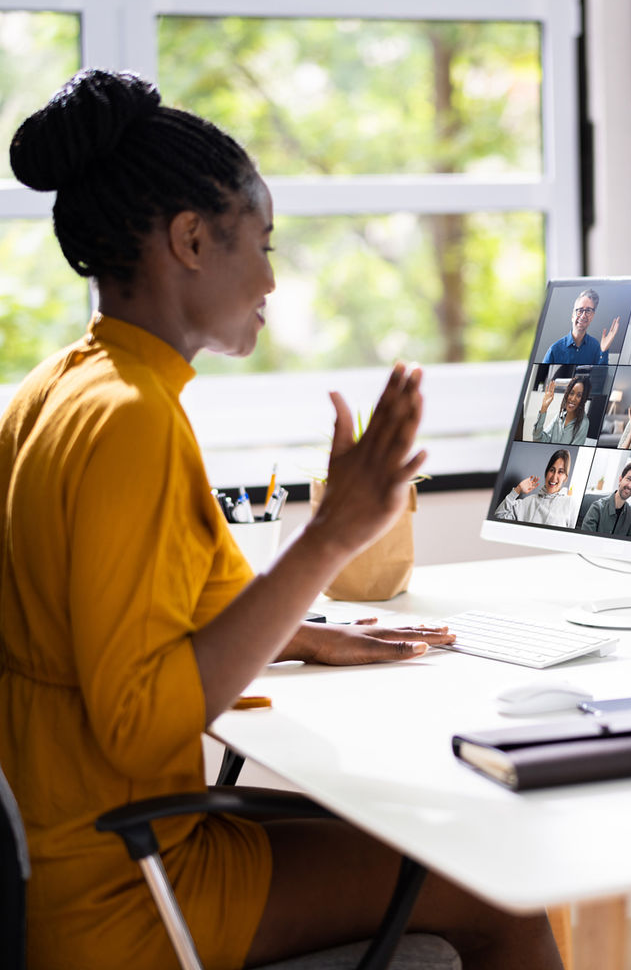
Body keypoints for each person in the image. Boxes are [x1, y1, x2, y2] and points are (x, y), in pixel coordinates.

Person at [0, 69, 563, 970]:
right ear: (189, 239)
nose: (270, 277)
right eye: (261, 243)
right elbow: (139, 723)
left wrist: (298, 635)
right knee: (509, 880)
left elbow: (146, 622)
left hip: (69, 858)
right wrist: (331, 534)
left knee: (434, 833)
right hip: (127, 892)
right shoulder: (132, 420)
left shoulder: (58, 389)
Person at [581, 461, 631, 538]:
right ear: (620, 480)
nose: (630, 485)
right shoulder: (597, 508)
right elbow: (586, 542)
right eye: (628, 479)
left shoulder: (629, 512)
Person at [494, 449, 573, 527]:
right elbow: (498, 516)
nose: (554, 477)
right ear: (546, 472)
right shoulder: (530, 501)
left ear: (565, 478)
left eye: (560, 472)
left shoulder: (570, 504)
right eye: (552, 470)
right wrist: (517, 490)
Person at [542, 288, 621, 365]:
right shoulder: (555, 350)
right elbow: (541, 377)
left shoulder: (596, 347)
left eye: (588, 311)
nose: (583, 316)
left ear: (592, 316)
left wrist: (604, 350)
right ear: (573, 315)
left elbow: (602, 377)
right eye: (580, 310)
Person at [532, 373, 590, 446]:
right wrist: (544, 408)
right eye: (571, 393)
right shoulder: (559, 416)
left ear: (583, 399)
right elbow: (537, 439)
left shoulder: (584, 423)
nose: (573, 398)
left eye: (579, 395)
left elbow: (571, 452)